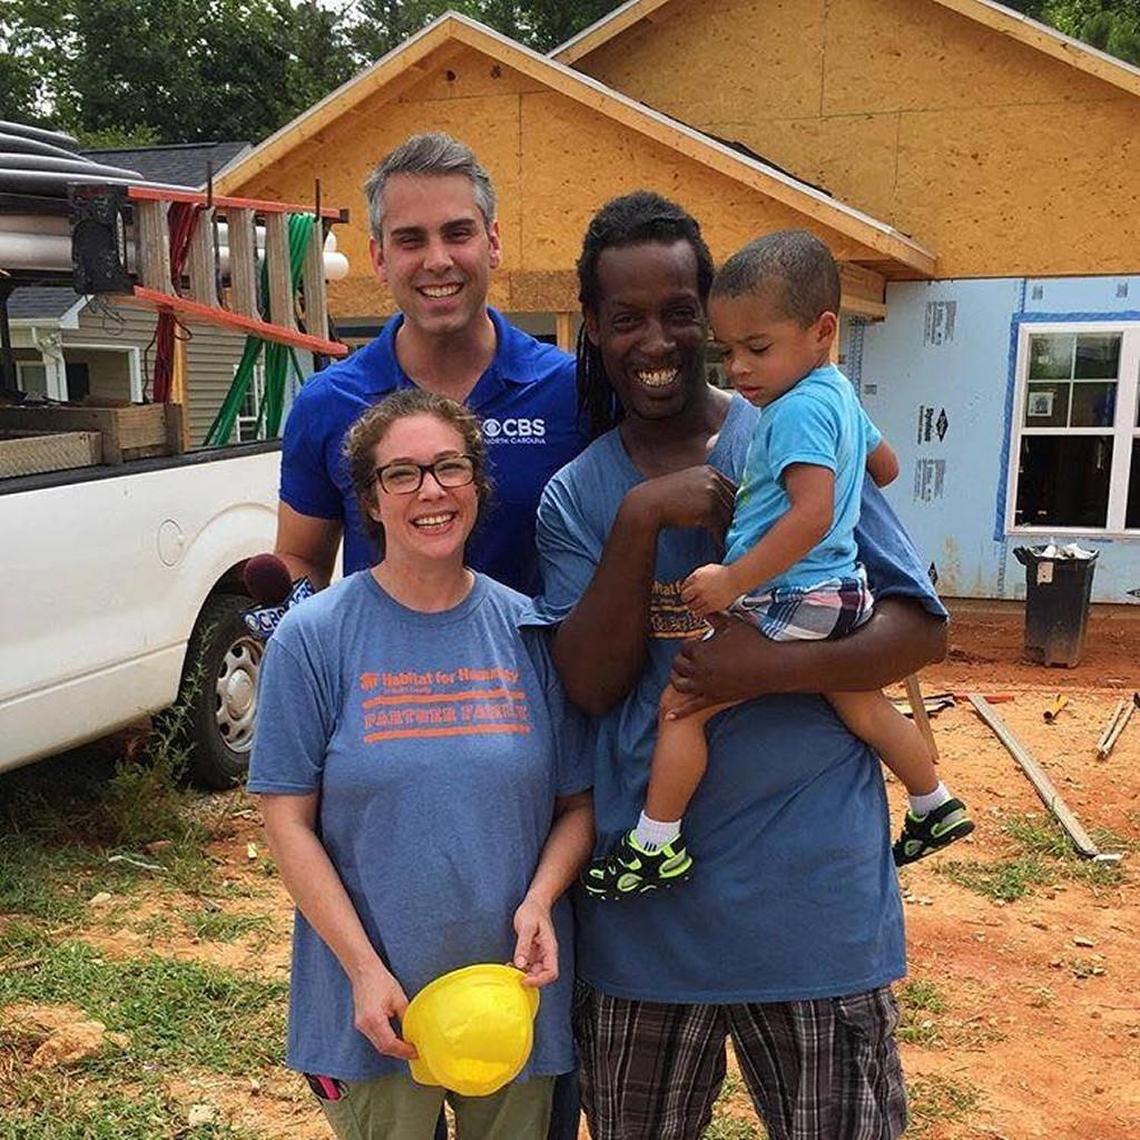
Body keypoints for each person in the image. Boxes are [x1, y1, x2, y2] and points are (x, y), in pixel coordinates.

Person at [527, 191, 949, 1140]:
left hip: (813, 909)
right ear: (592, 330)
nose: (658, 340)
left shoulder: (803, 431)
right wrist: (643, 518)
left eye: (681, 312)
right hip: (647, 930)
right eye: (626, 318)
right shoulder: (579, 495)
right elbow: (589, 685)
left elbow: (920, 632)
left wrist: (750, 671)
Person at [581, 230, 972, 899]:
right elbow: (887, 467)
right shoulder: (837, 395)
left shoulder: (792, 413)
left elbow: (813, 515)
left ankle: (655, 843)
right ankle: (933, 802)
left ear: (822, 330)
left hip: (792, 594)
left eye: (757, 349)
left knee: (683, 706)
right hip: (844, 594)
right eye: (727, 350)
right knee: (865, 706)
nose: (737, 368)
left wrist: (735, 578)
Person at [248, 389, 593, 1139]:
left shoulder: (529, 631)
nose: (430, 491)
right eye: (401, 475)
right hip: (373, 1005)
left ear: (477, 484)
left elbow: (576, 805)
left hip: (510, 1002)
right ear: (369, 500)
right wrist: (364, 969)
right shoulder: (313, 639)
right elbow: (286, 822)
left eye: (448, 467)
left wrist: (540, 900)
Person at [272, 131, 586, 598]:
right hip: (384, 672)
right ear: (379, 259)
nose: (437, 260)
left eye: (458, 233)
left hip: (535, 669)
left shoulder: (570, 390)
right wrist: (294, 621)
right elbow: (303, 557)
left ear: (492, 242)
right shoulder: (329, 403)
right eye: (410, 240)